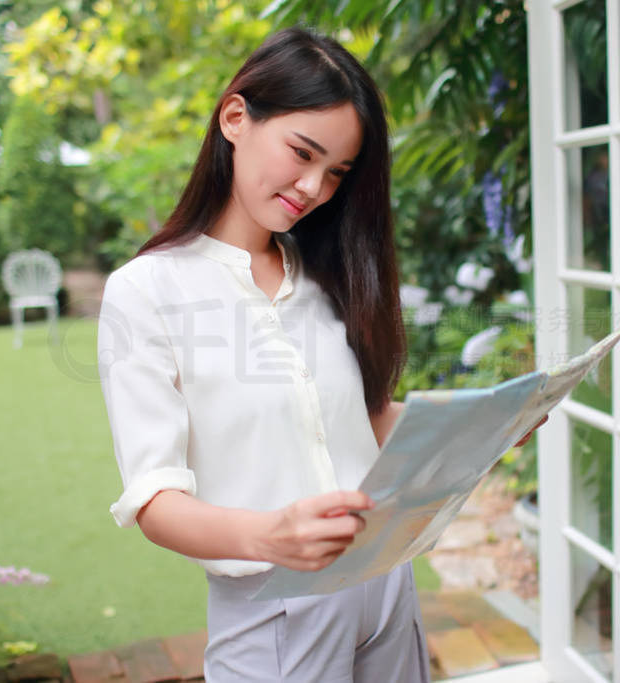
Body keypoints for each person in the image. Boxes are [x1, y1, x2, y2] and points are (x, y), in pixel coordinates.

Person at [98, 26, 542, 682]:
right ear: (236, 117)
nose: (312, 187)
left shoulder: (326, 273)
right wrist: (267, 534)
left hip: (387, 584)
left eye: (336, 172)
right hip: (277, 604)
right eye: (302, 153)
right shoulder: (148, 291)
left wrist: (487, 426)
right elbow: (155, 499)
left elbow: (360, 421)